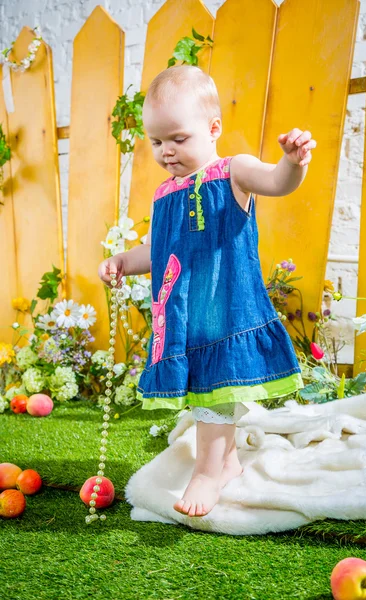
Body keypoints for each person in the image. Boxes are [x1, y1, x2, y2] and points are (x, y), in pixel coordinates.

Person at [98, 64, 317, 519]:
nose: (167, 151)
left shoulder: (233, 172)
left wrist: (292, 163)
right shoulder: (164, 195)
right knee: (205, 395)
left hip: (226, 312)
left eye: (178, 138)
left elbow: (277, 183)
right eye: (157, 142)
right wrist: (123, 261)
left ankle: (206, 472)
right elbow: (159, 251)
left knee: (215, 394)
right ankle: (229, 463)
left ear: (213, 127)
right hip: (184, 319)